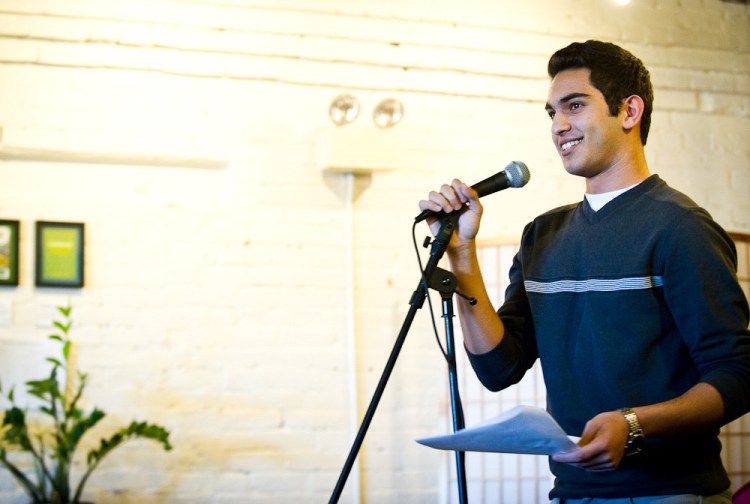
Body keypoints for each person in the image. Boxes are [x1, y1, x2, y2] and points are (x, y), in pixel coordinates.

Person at [418, 40, 750, 503]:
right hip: (571, 492)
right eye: (551, 113)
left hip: (670, 493)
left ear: (629, 111)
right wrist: (462, 254)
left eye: (574, 106)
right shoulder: (543, 235)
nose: (559, 126)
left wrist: (632, 423)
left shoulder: (679, 227)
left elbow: (737, 374)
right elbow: (499, 367)